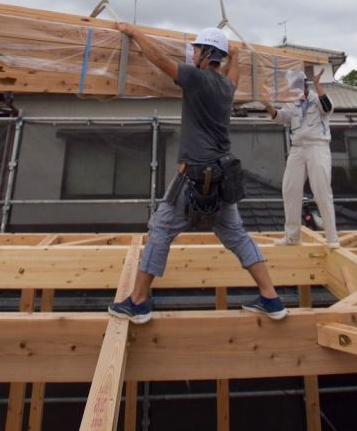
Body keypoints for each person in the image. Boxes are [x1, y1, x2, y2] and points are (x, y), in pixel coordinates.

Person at [108, 24, 288, 323]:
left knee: (161, 230)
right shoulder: (227, 88)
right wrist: (237, 56)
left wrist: (134, 33)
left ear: (207, 54)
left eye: (196, 49)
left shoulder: (196, 79)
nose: (192, 54)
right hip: (222, 178)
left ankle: (137, 302)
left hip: (193, 178)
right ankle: (271, 298)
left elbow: (160, 60)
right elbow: (235, 73)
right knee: (237, 236)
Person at [262, 68, 339, 248]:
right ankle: (292, 237)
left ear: (305, 85)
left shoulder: (317, 99)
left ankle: (332, 238)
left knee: (321, 191)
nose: (294, 89)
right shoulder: (292, 103)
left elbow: (328, 108)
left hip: (317, 147)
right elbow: (281, 118)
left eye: (297, 85)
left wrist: (318, 85)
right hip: (297, 149)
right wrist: (268, 106)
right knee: (289, 190)